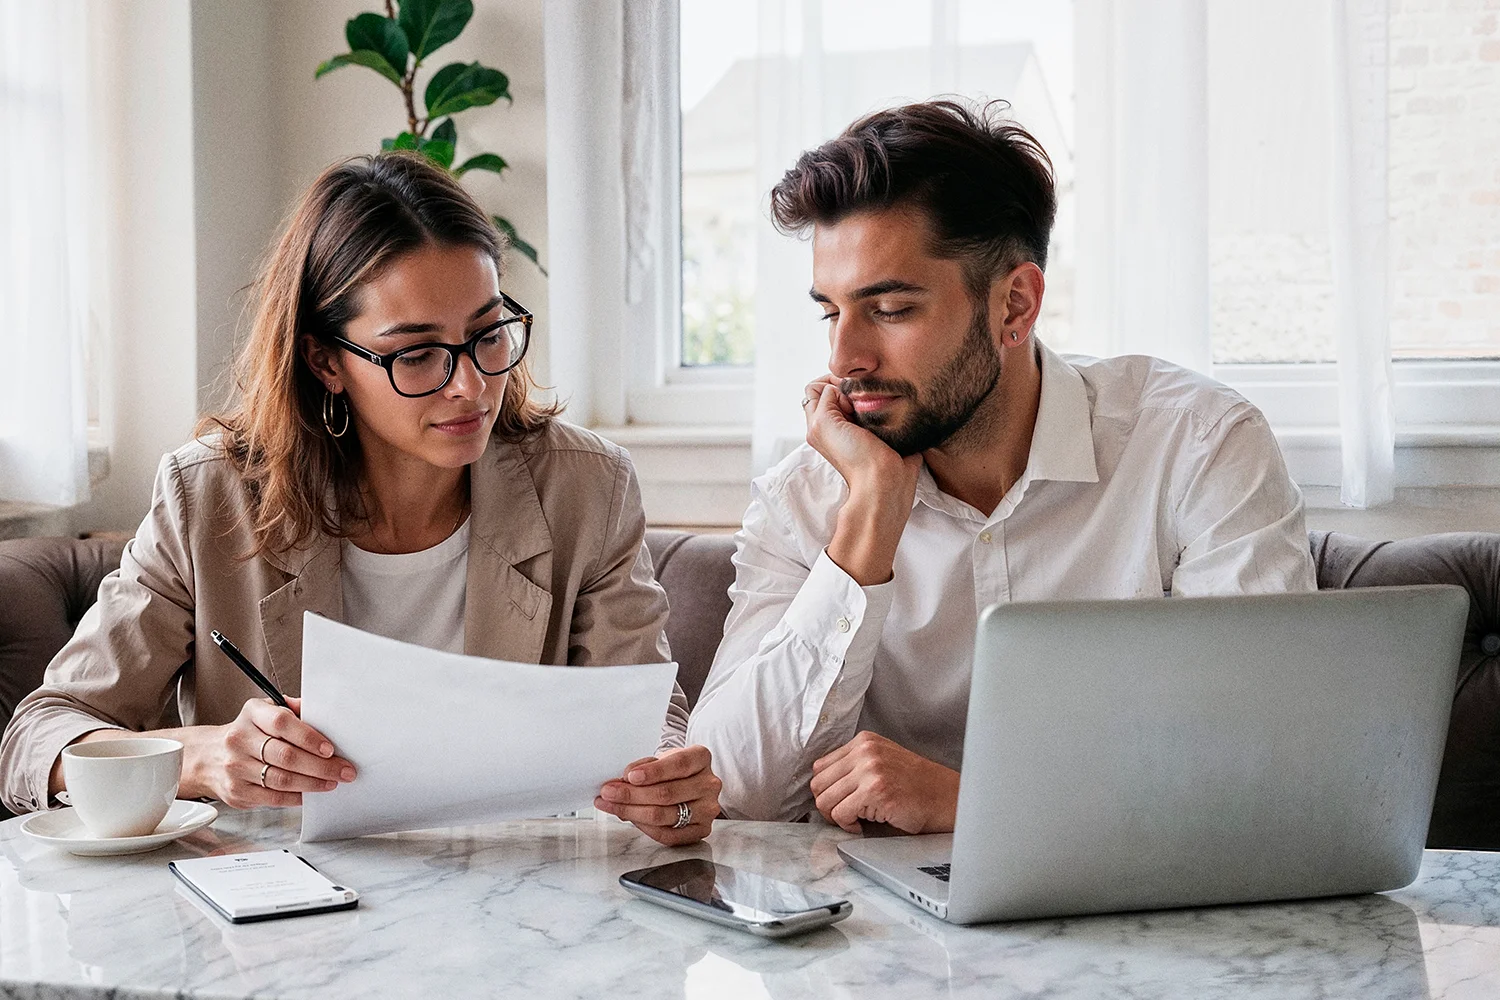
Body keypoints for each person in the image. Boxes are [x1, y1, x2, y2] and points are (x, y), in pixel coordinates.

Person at [0, 152, 720, 845]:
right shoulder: (210, 497)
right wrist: (203, 758)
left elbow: (648, 718)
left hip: (516, 890)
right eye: (417, 353)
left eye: (488, 334)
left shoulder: (586, 487)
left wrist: (669, 784)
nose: (470, 385)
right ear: (325, 361)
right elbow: (40, 735)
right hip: (280, 899)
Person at [685, 100, 1317, 833]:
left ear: (1015, 305)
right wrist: (869, 520)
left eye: (889, 309)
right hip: (864, 906)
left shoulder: (1198, 447)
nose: (844, 358)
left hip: (1131, 900)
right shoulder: (808, 494)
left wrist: (973, 802)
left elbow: (1263, 763)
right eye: (831, 311)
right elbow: (735, 789)